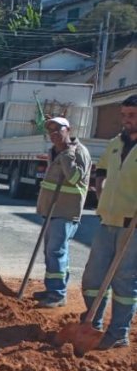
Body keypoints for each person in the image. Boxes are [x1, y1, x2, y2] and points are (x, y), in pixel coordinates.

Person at [80, 94, 137, 348]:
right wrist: (100, 193)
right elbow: (101, 171)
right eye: (124, 115)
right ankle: (93, 323)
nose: (126, 120)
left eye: (132, 116)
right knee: (94, 276)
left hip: (132, 225)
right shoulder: (115, 143)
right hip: (107, 221)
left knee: (124, 279)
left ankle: (118, 333)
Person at [33, 116, 92, 308]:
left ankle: (58, 294)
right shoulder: (54, 151)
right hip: (51, 209)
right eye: (50, 131)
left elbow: (75, 178)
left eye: (58, 130)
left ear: (69, 130)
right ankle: (52, 289)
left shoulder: (78, 152)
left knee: (56, 251)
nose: (54, 135)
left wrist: (67, 155)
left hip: (66, 210)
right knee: (50, 251)